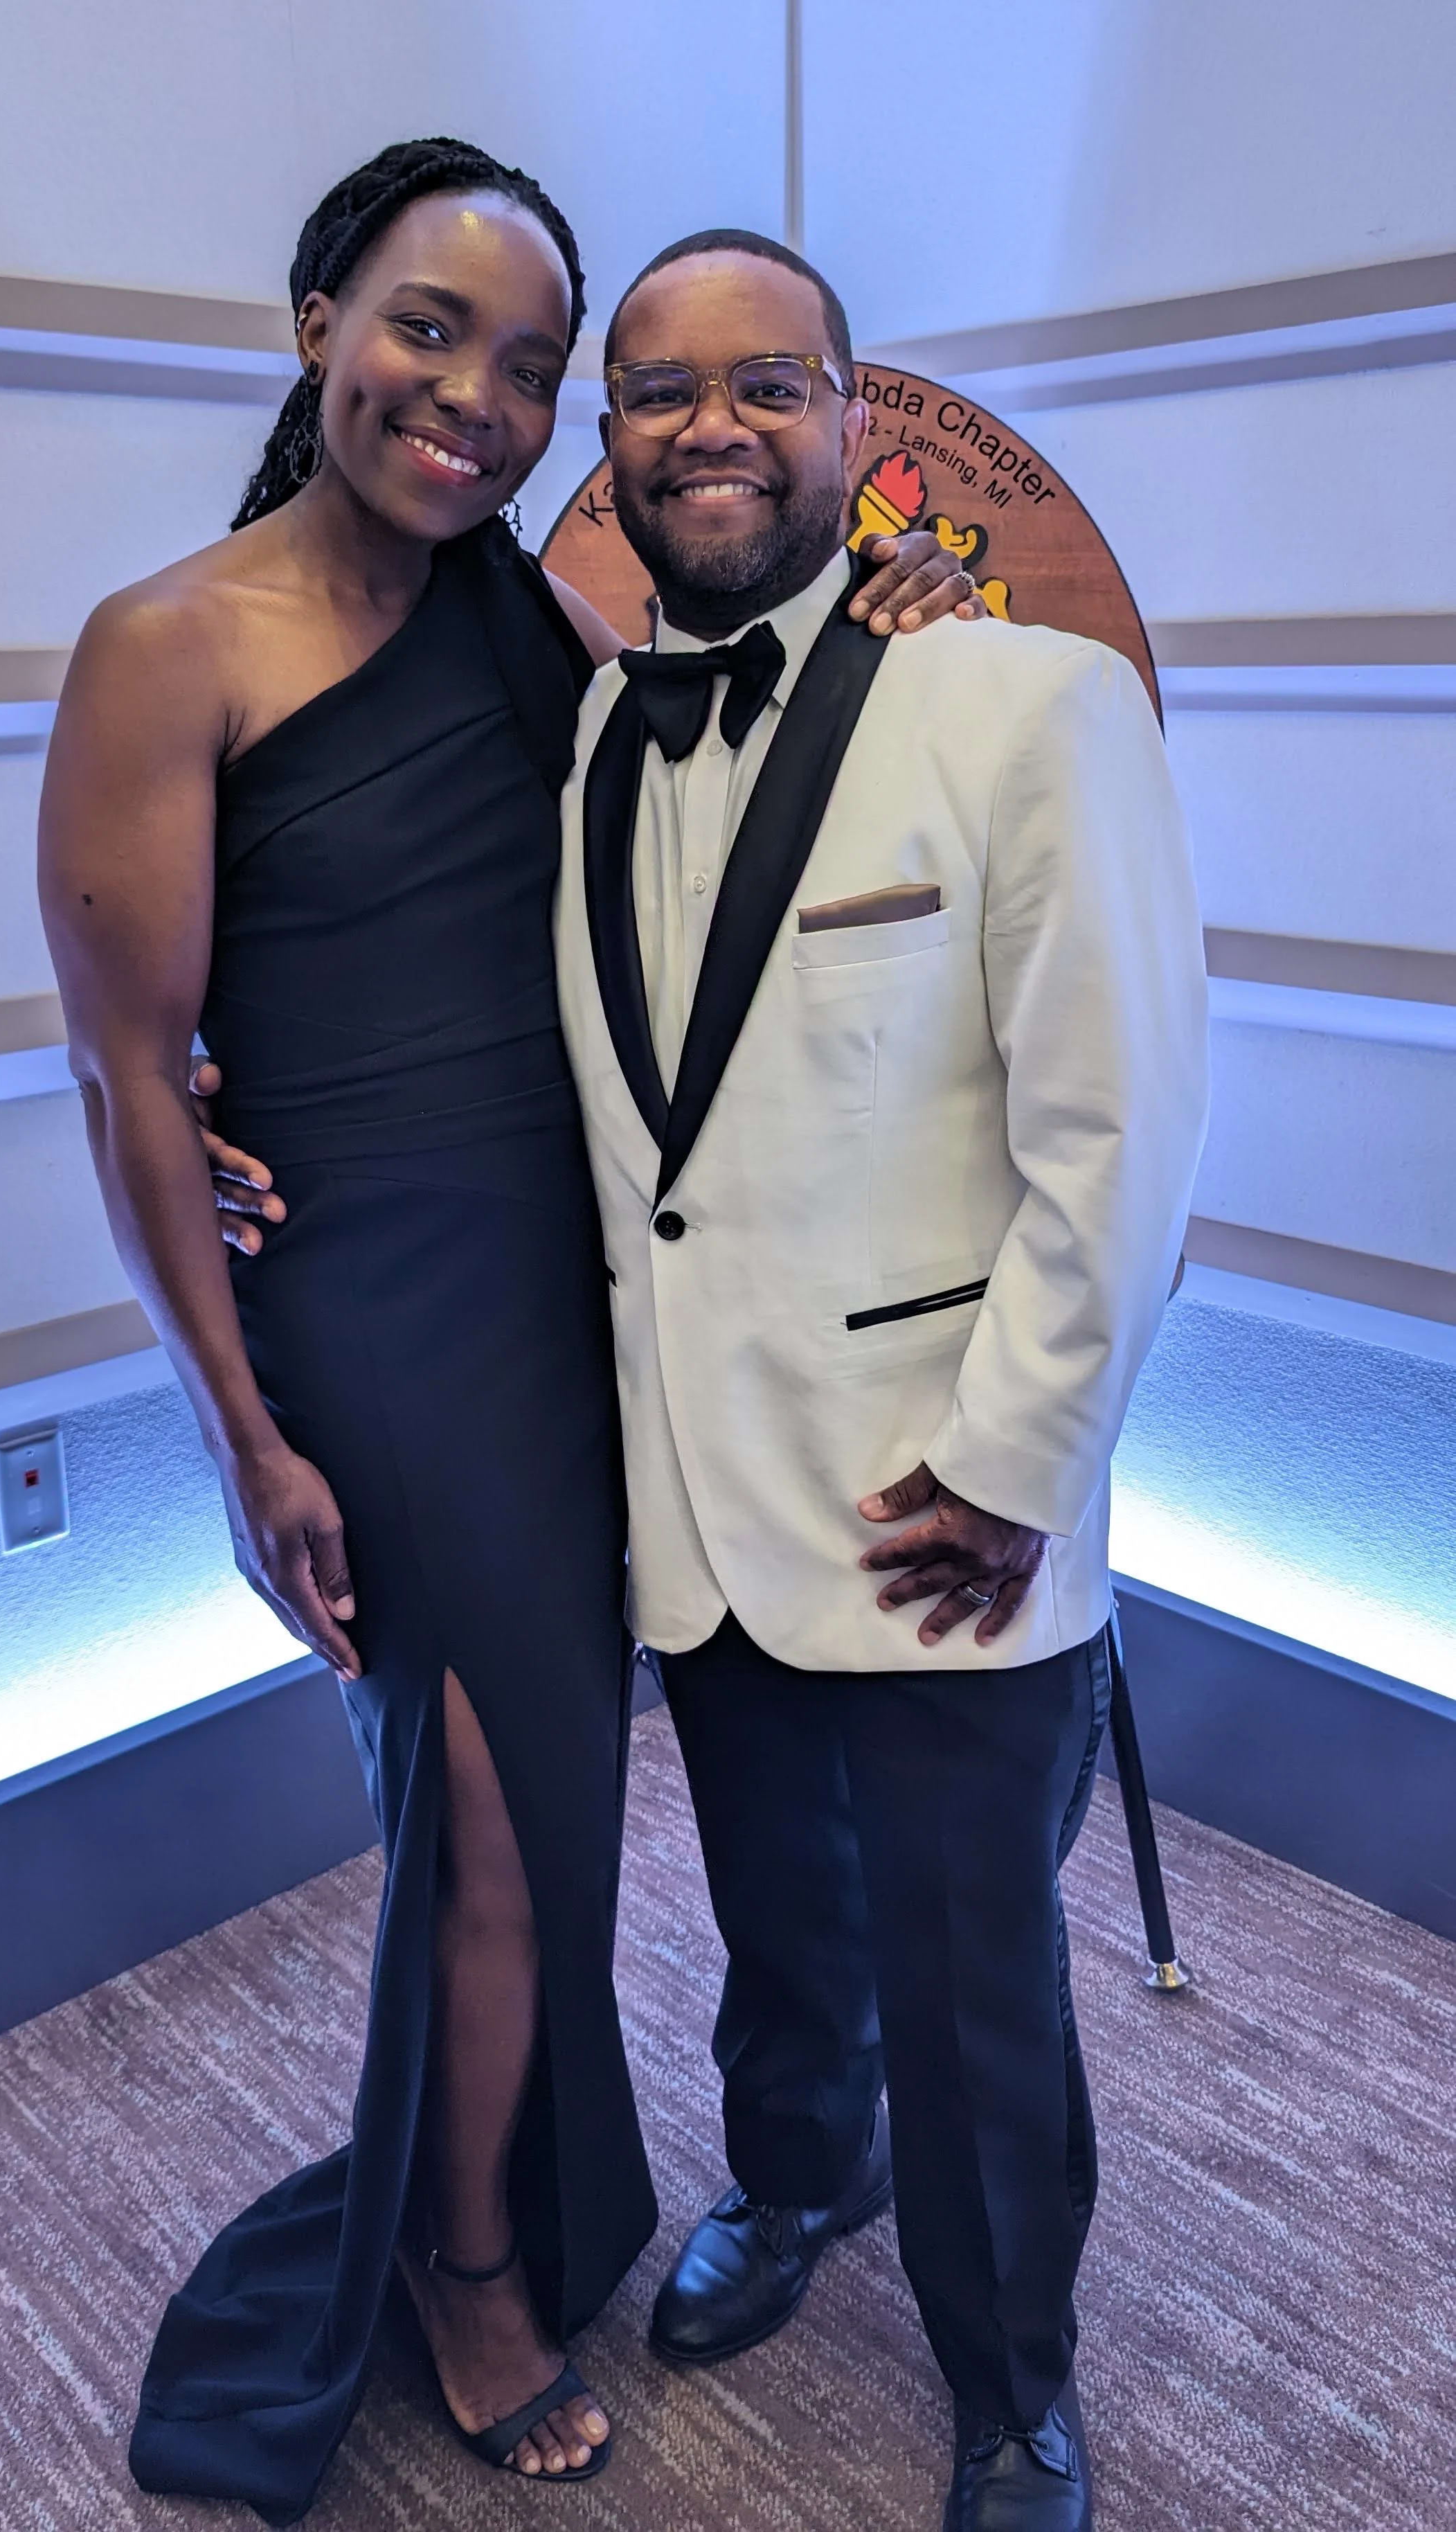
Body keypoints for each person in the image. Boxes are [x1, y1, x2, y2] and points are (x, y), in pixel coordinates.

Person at [37, 140, 976, 2524]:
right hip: (373, 1318)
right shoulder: (170, 642)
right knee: (481, 1821)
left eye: (532, 366)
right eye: (427, 329)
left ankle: (502, 2190)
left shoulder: (533, 620)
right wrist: (241, 1435)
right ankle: (468, 2266)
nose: (476, 396)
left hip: (571, 1296)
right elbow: (130, 1077)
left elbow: (697, 826)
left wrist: (906, 636)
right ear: (318, 327)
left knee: (558, 1815)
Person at [546, 231, 1210, 2529]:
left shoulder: (1027, 706)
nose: (709, 426)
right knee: (777, 1924)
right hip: (702, 1493)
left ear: (853, 416)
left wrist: (1020, 1460)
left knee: (971, 1979)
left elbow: (1119, 1124)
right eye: (657, 391)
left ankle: (1012, 2379)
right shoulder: (589, 742)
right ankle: (794, 2174)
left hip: (946, 1498)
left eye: (766, 382)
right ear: (608, 444)